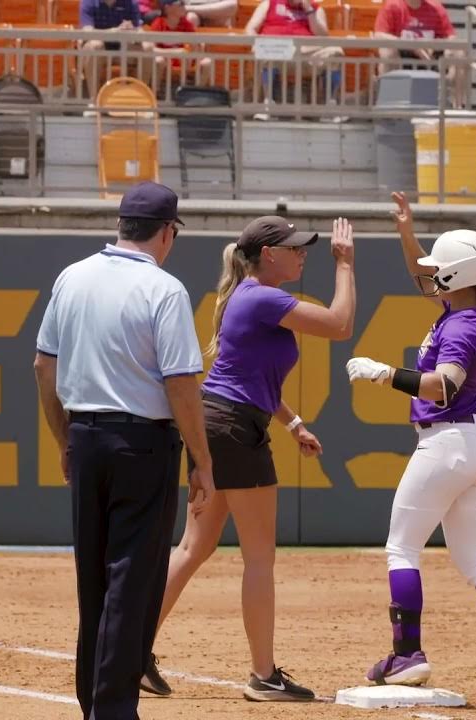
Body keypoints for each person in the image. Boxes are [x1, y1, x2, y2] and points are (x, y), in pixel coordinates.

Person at [345, 192, 476, 708]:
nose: (432, 275)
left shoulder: (462, 324)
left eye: (442, 269)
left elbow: (444, 386)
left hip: (448, 440)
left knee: (401, 548)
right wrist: (405, 230)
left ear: (458, 276)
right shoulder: (467, 307)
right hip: (475, 445)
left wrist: (384, 374)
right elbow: (424, 276)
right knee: (471, 556)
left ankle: (407, 654)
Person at [145, 215, 356, 703]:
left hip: (219, 426)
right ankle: (263, 676)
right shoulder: (261, 296)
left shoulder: (247, 295)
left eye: (306, 248)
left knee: (193, 549)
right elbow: (340, 325)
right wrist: (344, 265)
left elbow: (244, 376)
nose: (304, 254)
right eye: (295, 248)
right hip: (234, 431)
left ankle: (133, 650)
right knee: (258, 557)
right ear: (268, 255)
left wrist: (293, 423)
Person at [34, 181, 215, 720]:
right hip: (143, 443)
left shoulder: (72, 277)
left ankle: (93, 701)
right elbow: (182, 385)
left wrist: (65, 439)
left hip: (86, 437)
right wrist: (202, 461)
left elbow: (44, 366)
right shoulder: (164, 289)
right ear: (166, 232)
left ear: (121, 225)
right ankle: (112, 711)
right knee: (131, 581)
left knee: (94, 579)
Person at [245, 0, 345, 120]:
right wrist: (260, 42)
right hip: (278, 49)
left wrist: (309, 11)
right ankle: (267, 103)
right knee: (261, 50)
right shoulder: (269, 3)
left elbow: (323, 36)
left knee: (335, 52)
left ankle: (330, 104)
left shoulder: (315, 9)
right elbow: (250, 29)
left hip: (307, 52)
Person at [372, 0, 467, 107]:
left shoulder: (436, 7)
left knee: (459, 54)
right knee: (387, 52)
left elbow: (451, 37)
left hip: (430, 56)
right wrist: (411, 45)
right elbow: (379, 35)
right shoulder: (392, 5)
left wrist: (434, 44)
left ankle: (457, 106)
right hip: (402, 54)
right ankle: (388, 103)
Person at [143, 0, 215, 87]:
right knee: (159, 60)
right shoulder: (158, 24)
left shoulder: (186, 24)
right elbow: (151, 49)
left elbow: (195, 45)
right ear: (167, 8)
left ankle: (195, 92)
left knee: (207, 62)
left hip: (185, 62)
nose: (184, 6)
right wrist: (174, 52)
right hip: (166, 62)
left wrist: (196, 48)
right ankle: (155, 92)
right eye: (181, 3)